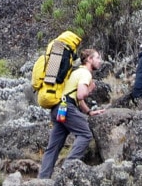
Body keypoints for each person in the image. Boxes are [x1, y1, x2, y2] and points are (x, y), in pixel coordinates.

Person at [38, 48, 104, 176]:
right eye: (97, 58)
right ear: (89, 59)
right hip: (67, 108)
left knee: (54, 146)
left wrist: (89, 112)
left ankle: (43, 178)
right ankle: (68, 167)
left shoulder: (76, 72)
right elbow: (80, 95)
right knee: (85, 134)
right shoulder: (85, 73)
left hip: (58, 108)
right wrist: (90, 88)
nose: (100, 61)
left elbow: (75, 97)